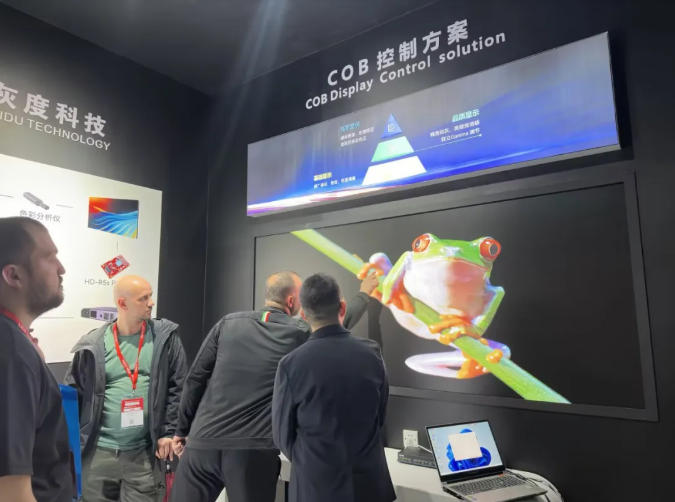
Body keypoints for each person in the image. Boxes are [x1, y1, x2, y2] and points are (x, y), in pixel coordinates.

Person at [169, 270, 378, 502]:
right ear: (292, 300)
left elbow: (196, 378)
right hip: (252, 452)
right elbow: (335, 323)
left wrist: (181, 430)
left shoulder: (227, 323)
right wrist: (364, 293)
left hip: (201, 445)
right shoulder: (299, 332)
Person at [272, 273, 395, 502]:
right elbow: (379, 417)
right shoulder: (372, 354)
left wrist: (312, 460)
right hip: (367, 486)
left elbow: (282, 437)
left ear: (303, 314)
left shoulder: (291, 365)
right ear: (343, 307)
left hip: (316, 488)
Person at [65, 275, 188, 502]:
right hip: (99, 454)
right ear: (123, 303)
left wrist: (168, 431)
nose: (151, 303)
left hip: (143, 453)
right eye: (143, 298)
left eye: (150, 296)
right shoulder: (92, 344)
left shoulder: (165, 338)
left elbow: (177, 387)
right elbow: (75, 395)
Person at [0, 217, 72, 502]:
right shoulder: (10, 350)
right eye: (49, 257)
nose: (61, 268)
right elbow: (11, 492)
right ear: (13, 276)